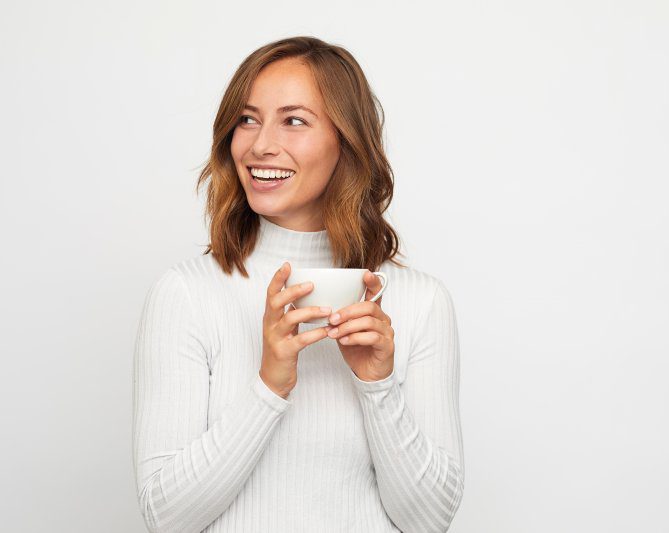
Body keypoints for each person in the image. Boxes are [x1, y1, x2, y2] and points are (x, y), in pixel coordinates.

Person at [132, 36, 464, 533]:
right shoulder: (186, 294)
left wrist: (378, 385)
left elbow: (430, 520)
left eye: (294, 120)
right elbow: (166, 518)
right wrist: (270, 385)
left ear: (345, 141)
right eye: (247, 119)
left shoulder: (420, 302)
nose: (260, 144)